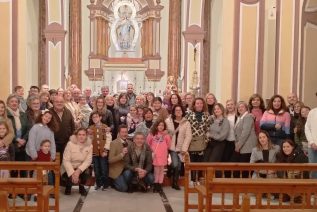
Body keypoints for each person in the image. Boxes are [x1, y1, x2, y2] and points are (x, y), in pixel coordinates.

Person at [165, 105, 192, 190]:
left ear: (182, 111)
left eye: (180, 110)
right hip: (171, 147)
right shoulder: (168, 121)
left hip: (181, 148)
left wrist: (184, 148)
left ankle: (175, 182)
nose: (178, 112)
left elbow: (188, 136)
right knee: (176, 164)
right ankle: (172, 177)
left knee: (179, 165)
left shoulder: (186, 122)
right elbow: (165, 132)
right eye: (176, 110)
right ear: (173, 112)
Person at [62, 128, 93, 195]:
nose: (81, 136)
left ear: (86, 136)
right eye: (79, 135)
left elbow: (88, 161)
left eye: (83, 135)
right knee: (68, 175)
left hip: (81, 167)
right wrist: (72, 173)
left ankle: (81, 186)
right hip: (70, 166)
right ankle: (68, 186)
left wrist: (78, 171)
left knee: (87, 172)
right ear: (76, 135)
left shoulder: (90, 146)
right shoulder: (70, 144)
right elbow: (66, 160)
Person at [186, 98, 210, 183]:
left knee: (200, 162)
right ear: (194, 105)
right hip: (192, 141)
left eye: (201, 103)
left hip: (202, 141)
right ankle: (193, 180)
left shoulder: (206, 115)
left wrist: (206, 140)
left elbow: (208, 129)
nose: (199, 105)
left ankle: (200, 178)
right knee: (193, 161)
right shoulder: (188, 115)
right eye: (197, 103)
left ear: (203, 105)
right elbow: (185, 128)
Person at [88, 111, 112, 190]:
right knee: (96, 169)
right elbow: (88, 141)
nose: (95, 118)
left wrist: (106, 150)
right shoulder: (91, 128)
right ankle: (98, 184)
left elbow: (109, 139)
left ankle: (105, 184)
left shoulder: (105, 127)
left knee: (104, 168)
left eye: (96, 117)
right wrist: (90, 135)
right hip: (94, 152)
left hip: (103, 152)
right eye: (93, 117)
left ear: (100, 118)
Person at [234, 101, 257, 177]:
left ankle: (247, 186)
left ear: (246, 108)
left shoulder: (248, 117)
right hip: (243, 146)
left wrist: (238, 145)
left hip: (248, 146)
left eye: (242, 107)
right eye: (239, 107)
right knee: (243, 169)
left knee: (246, 169)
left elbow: (245, 133)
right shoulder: (240, 118)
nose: (240, 108)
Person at [147, 120, 171, 192]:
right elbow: (148, 143)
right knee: (156, 171)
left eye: (162, 125)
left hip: (163, 155)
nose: (161, 127)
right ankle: (155, 184)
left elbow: (168, 145)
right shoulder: (152, 134)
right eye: (159, 125)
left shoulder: (166, 135)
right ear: (156, 126)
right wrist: (152, 151)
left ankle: (160, 184)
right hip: (155, 155)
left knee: (161, 170)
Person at [109, 125, 130, 192]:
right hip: (117, 170)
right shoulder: (113, 143)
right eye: (122, 132)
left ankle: (123, 182)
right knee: (124, 189)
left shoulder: (131, 143)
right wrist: (121, 154)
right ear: (119, 133)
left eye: (126, 132)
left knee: (129, 174)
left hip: (127, 169)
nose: (124, 134)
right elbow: (110, 160)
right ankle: (113, 182)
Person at [305, 99, 317, 179]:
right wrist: (312, 142)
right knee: (313, 170)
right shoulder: (312, 112)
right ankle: (313, 191)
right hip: (312, 146)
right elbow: (307, 128)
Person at [223, 99, 237, 163]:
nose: (230, 106)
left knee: (234, 160)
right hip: (226, 141)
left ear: (235, 106)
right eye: (228, 105)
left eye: (232, 104)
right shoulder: (224, 116)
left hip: (235, 141)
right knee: (225, 159)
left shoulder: (238, 116)